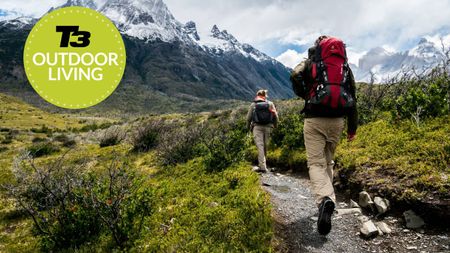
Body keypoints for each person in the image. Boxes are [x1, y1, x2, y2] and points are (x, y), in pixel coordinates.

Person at [290, 35, 358, 235]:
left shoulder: (311, 62)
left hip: (315, 119)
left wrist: (306, 94)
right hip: (338, 121)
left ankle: (325, 200)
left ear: (317, 47)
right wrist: (352, 129)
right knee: (328, 162)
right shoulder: (343, 66)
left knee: (316, 163)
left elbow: (295, 74)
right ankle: (328, 200)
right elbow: (353, 95)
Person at [246, 89, 278, 173]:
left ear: (257, 95)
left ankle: (262, 166)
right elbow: (276, 116)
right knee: (265, 146)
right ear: (265, 96)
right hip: (268, 127)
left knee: (260, 146)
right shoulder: (270, 104)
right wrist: (275, 126)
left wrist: (248, 128)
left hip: (257, 127)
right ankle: (263, 165)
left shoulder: (253, 104)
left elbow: (248, 118)